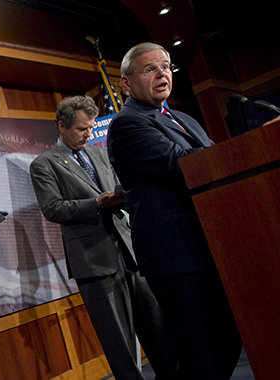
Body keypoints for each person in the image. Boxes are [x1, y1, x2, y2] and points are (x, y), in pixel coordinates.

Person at [108, 42, 243, 379]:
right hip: (174, 254)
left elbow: (211, 160)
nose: (162, 74)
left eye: (166, 66)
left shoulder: (183, 118)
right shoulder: (127, 124)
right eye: (150, 69)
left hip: (207, 244)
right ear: (126, 83)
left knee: (229, 338)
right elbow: (182, 165)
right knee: (199, 352)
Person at [29, 96, 177, 380]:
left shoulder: (98, 153)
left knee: (159, 330)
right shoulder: (44, 164)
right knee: (120, 344)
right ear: (61, 126)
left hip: (132, 253)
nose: (88, 133)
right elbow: (53, 208)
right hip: (94, 263)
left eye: (91, 127)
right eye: (81, 129)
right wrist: (98, 203)